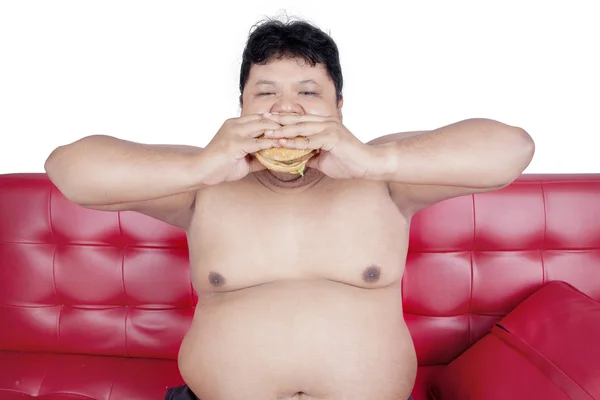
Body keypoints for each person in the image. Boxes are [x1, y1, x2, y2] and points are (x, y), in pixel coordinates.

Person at [44, 15, 535, 400]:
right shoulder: (201, 178)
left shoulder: (384, 172)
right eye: (265, 93)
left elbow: (512, 148)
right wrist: (200, 166)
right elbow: (67, 169)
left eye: (308, 93)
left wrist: (373, 159)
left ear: (340, 108)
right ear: (239, 107)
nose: (285, 110)